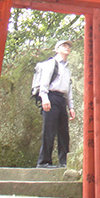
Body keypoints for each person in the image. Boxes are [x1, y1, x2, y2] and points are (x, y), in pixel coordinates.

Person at [36, 40, 76, 168]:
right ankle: (44, 161)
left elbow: (68, 89)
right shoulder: (51, 64)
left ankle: (64, 161)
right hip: (51, 97)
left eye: (68, 46)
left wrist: (71, 107)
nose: (67, 48)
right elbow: (44, 83)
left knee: (63, 132)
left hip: (62, 99)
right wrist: (44, 98)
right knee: (49, 130)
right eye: (64, 46)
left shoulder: (67, 69)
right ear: (57, 49)